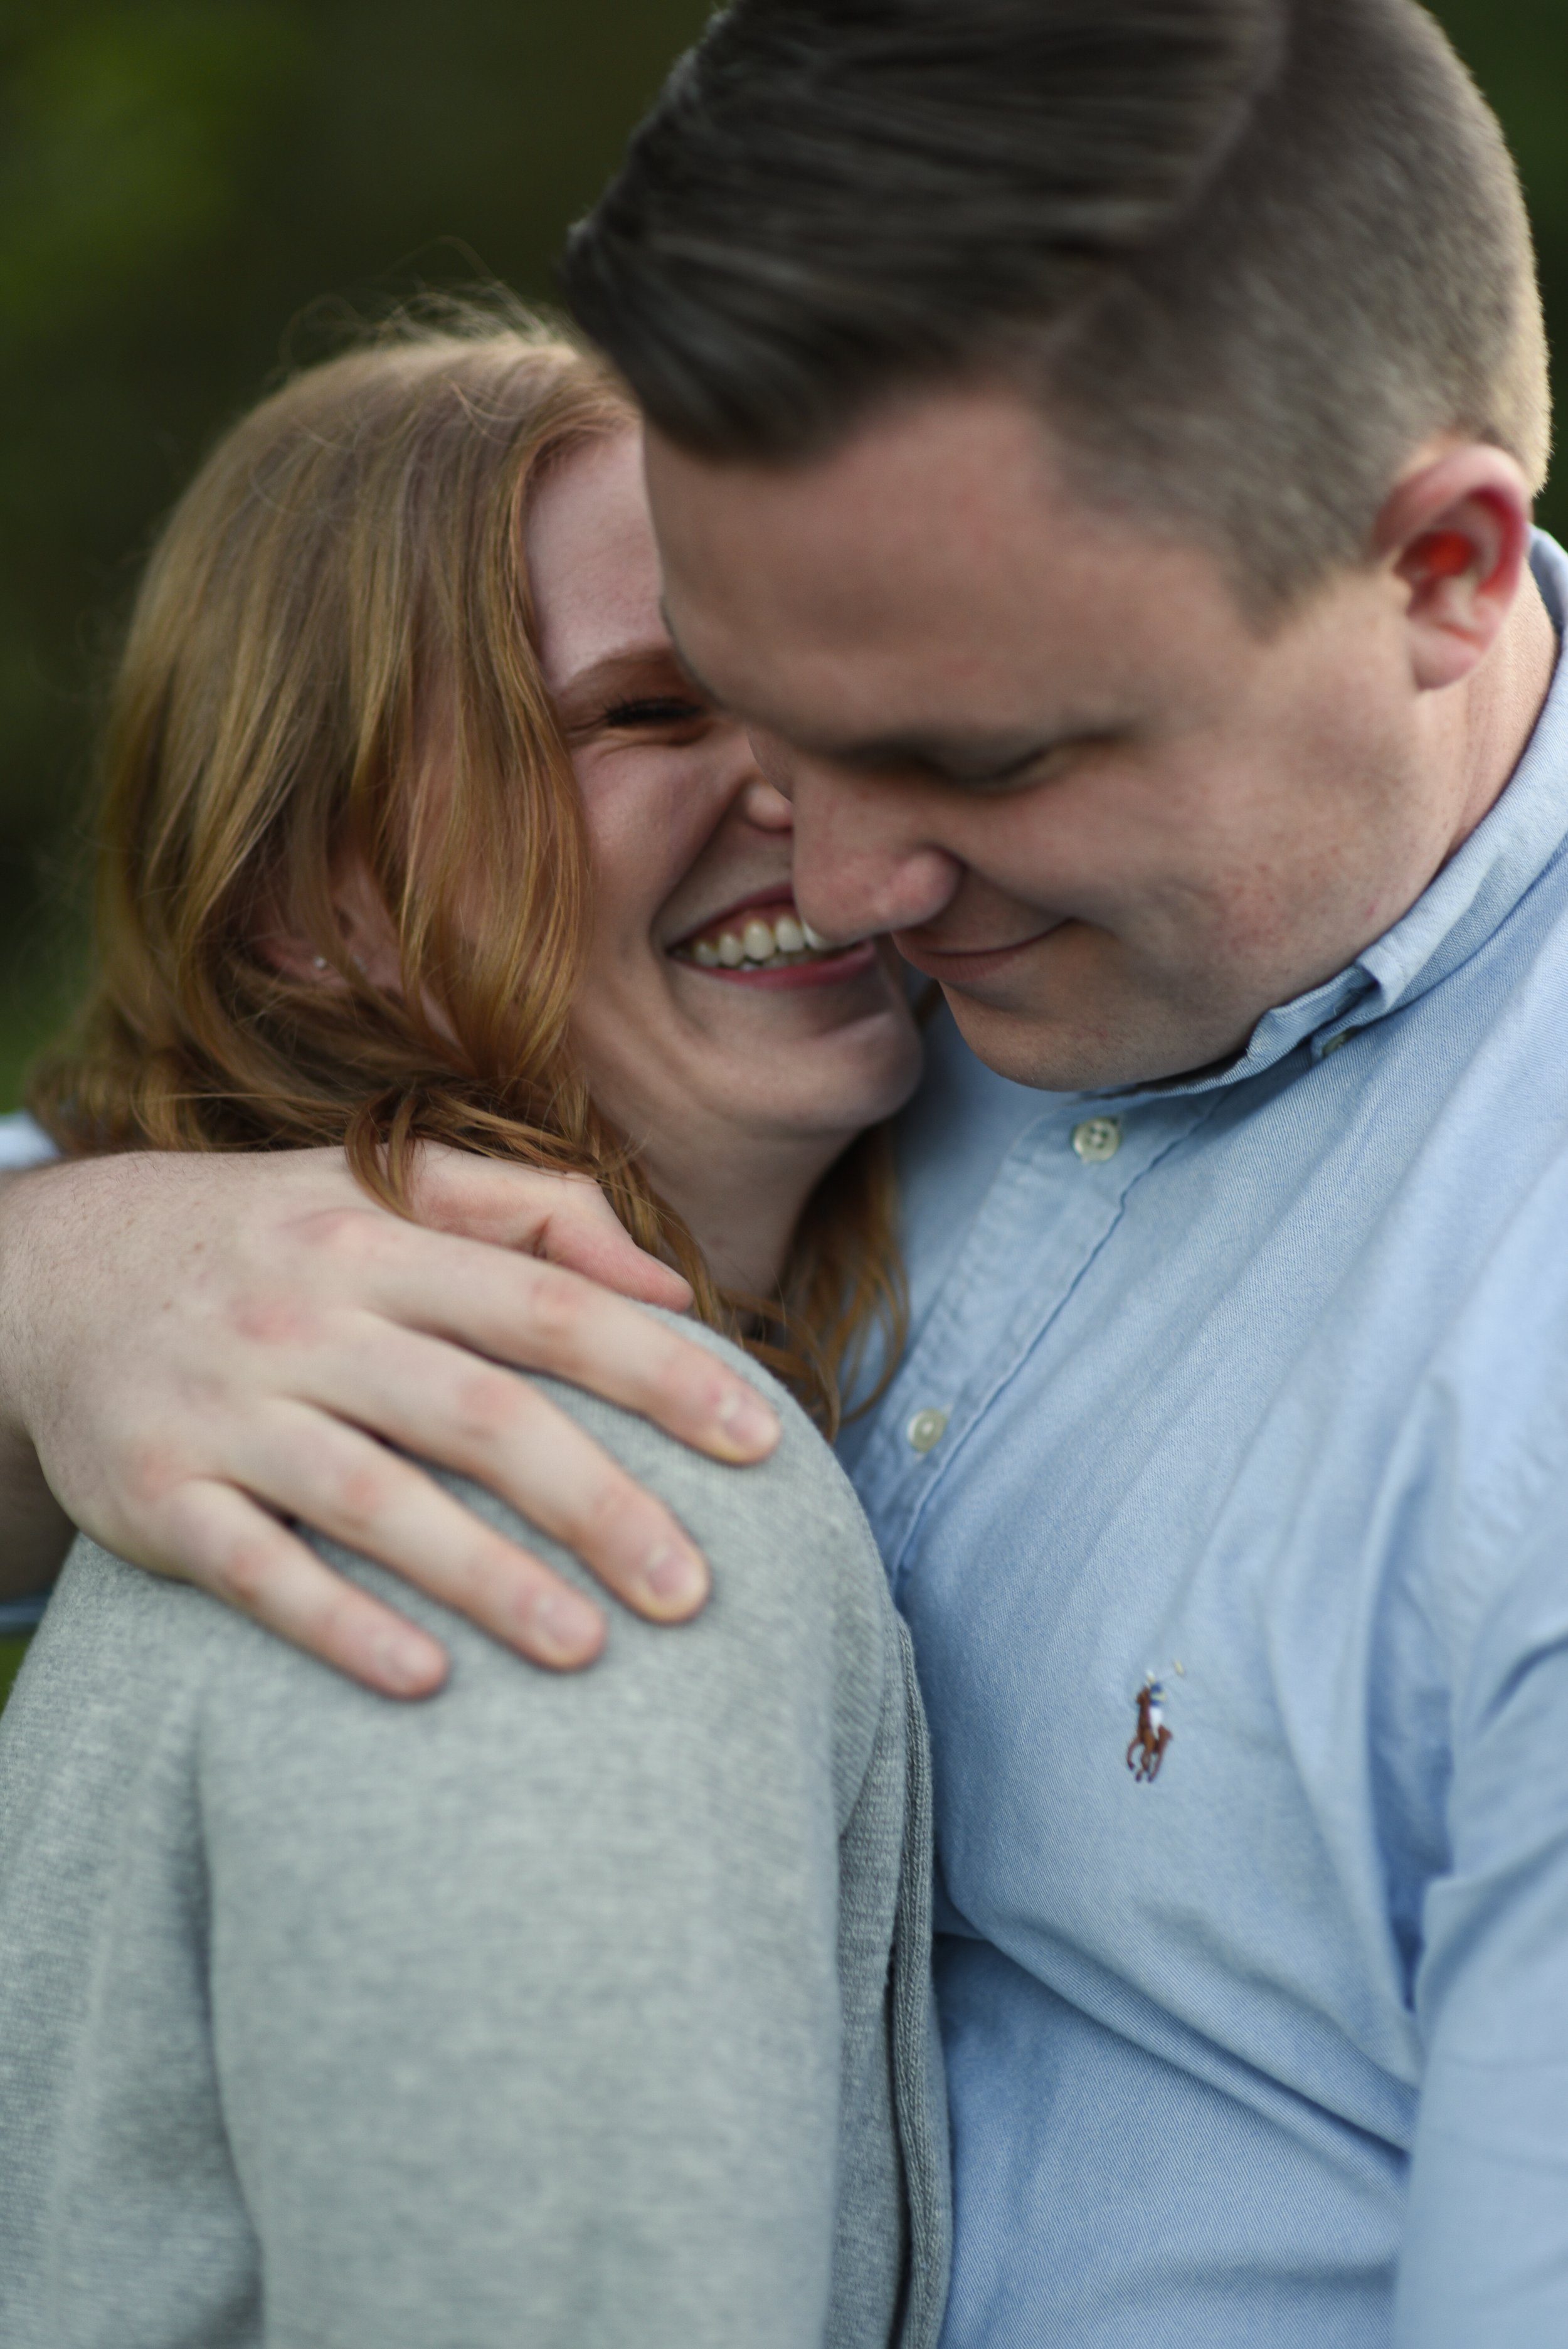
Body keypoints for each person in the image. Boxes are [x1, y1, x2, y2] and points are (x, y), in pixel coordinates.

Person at [0, 0, 1562, 2339]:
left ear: (1439, 566)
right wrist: (67, 1274)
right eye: (710, 699)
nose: (843, 872)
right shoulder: (697, 1100)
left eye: (971, 756)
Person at [0, 310, 950, 2348]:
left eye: (803, 682)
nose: (809, 787)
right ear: (309, 902)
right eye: (647, 709)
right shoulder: (533, 1490)